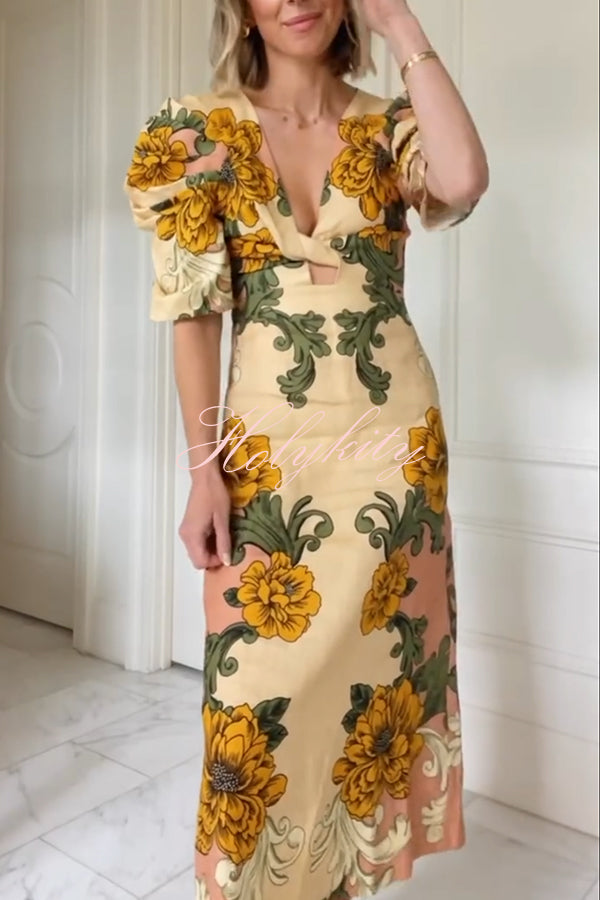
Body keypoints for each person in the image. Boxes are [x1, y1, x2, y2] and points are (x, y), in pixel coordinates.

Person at [124, 1, 488, 897]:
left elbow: (464, 177)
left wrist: (402, 28)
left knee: (373, 690)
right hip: (266, 459)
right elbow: (194, 316)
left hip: (391, 452)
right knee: (256, 701)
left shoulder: (389, 126)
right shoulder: (196, 134)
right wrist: (203, 472)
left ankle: (346, 878)